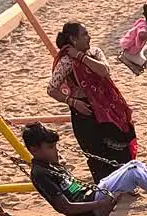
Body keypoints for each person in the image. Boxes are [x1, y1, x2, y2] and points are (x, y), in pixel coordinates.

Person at [48, 22, 138, 183]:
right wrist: (73, 102)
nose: (89, 37)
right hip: (85, 110)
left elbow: (104, 71)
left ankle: (127, 182)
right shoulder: (66, 62)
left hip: (108, 106)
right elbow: (51, 89)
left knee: (121, 142)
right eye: (84, 35)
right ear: (73, 39)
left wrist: (81, 56)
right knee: (95, 151)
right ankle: (107, 187)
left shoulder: (95, 52)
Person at [118, 3, 147, 74]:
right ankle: (129, 59)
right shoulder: (143, 27)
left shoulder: (145, 22)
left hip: (137, 49)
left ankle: (140, 59)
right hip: (131, 53)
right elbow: (142, 35)